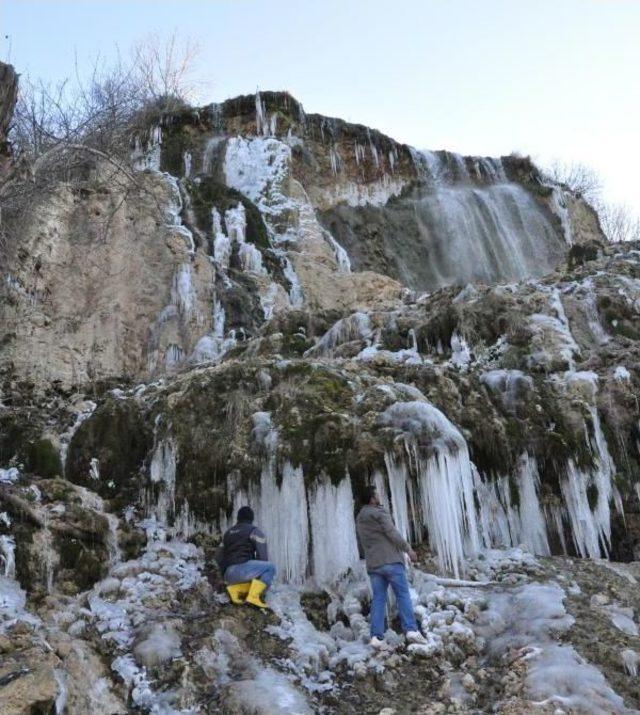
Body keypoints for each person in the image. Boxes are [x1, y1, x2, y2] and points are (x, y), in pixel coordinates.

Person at [356, 485, 428, 647]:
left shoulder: (360, 518)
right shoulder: (379, 513)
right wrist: (408, 549)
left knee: (379, 599)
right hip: (391, 561)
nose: (379, 496)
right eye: (376, 494)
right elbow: (392, 533)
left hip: (374, 565)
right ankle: (411, 630)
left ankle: (376, 637)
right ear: (372, 499)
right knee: (402, 594)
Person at [218, 506, 276, 609]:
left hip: (228, 575)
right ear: (251, 519)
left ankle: (236, 589)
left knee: (253, 572)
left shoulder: (227, 533)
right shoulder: (254, 531)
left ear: (238, 518)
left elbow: (219, 557)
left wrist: (223, 577)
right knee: (269, 567)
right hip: (242, 571)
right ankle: (254, 597)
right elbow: (263, 556)